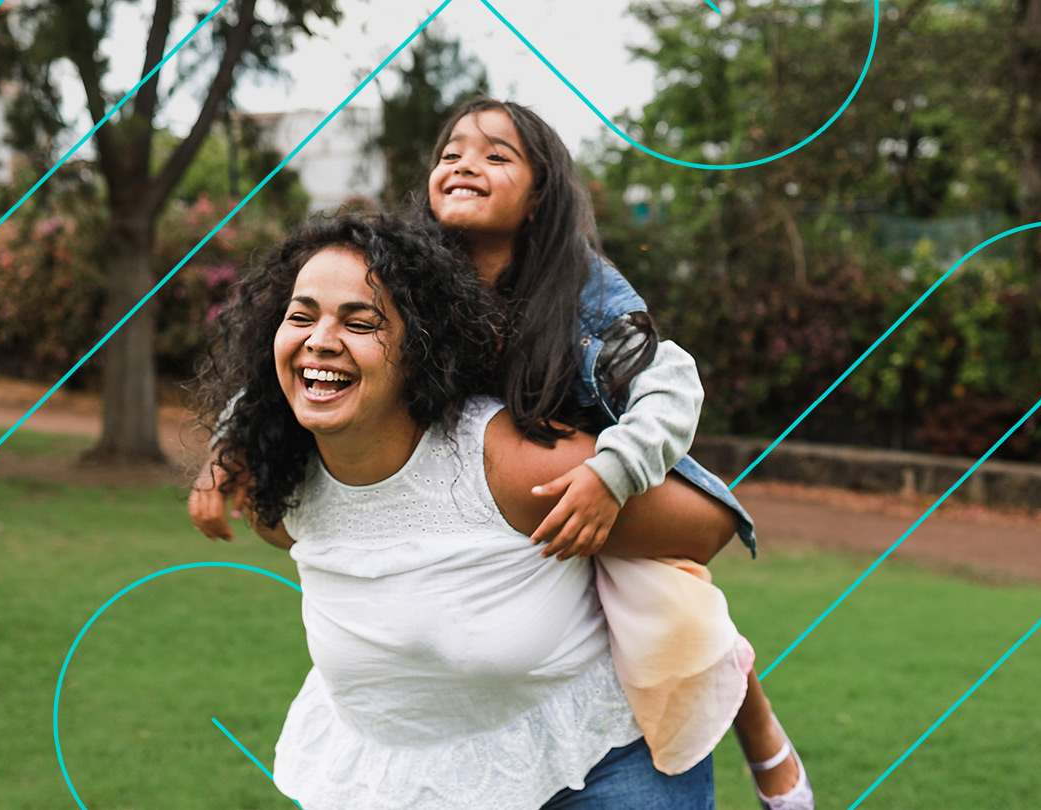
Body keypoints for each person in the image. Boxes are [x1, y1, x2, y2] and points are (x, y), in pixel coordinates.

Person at [191, 99, 810, 810]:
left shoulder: (583, 293)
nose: (464, 164)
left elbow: (670, 386)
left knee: (673, 608)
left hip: (606, 452)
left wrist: (611, 474)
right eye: (450, 152)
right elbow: (283, 370)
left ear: (540, 192)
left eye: (496, 155)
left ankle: (766, 742)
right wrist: (228, 446)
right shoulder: (408, 272)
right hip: (479, 511)